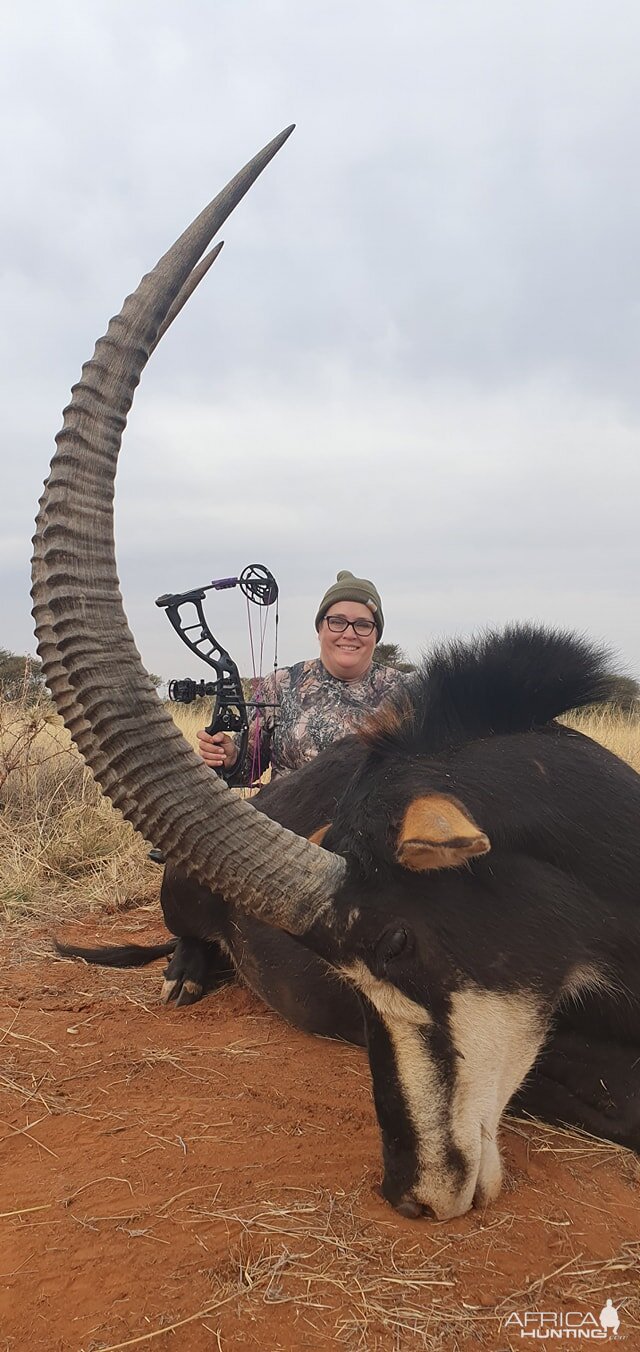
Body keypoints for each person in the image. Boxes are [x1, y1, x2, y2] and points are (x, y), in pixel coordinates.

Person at [196, 570, 406, 783]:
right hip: (282, 816)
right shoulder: (279, 685)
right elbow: (246, 770)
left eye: (363, 625)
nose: (349, 634)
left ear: (376, 635)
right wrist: (231, 759)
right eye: (337, 621)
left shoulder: (408, 692)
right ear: (320, 629)